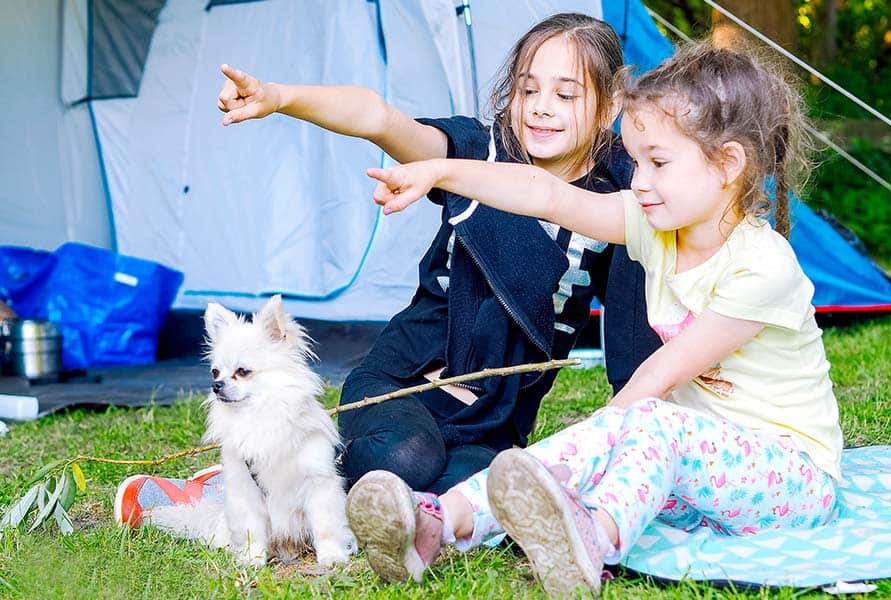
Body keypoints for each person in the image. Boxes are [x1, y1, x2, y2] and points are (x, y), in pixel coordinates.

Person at [114, 13, 661, 539]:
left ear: (610, 101)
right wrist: (280, 98)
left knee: (476, 496)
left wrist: (632, 441)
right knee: (406, 456)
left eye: (565, 95)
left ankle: (336, 506)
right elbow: (379, 117)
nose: (541, 109)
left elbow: (639, 332)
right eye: (527, 89)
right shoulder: (479, 152)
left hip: (494, 421)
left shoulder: (625, 193)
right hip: (403, 385)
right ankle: (243, 485)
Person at [357, 41, 843, 595]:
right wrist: (439, 172)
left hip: (789, 482)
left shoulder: (764, 266)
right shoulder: (657, 225)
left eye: (658, 162)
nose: (637, 180)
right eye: (635, 161)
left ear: (729, 164)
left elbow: (658, 379)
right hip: (692, 479)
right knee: (565, 455)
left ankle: (595, 539)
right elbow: (545, 194)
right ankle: (440, 521)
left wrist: (594, 453)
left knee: (640, 420)